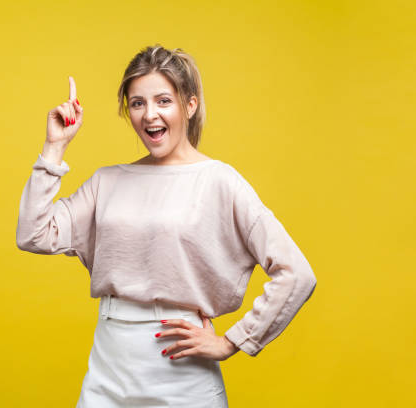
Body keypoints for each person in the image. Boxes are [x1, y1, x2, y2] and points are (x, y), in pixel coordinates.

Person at [16, 44, 317, 407]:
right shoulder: (108, 181)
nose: (149, 115)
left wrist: (232, 341)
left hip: (181, 378)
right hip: (107, 371)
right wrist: (54, 148)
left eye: (163, 101)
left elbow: (296, 273)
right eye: (138, 103)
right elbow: (33, 233)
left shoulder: (219, 180)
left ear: (189, 105)